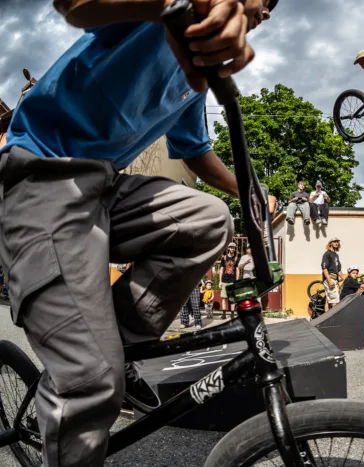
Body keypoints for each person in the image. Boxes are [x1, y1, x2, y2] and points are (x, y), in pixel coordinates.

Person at [0, 1, 277, 465]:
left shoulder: (195, 79)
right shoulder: (160, 16)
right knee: (90, 382)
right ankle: (88, 375)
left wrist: (250, 189)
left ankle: (118, 350)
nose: (267, 11)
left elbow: (195, 153)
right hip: (43, 176)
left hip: (104, 187)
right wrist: (170, 6)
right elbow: (75, 5)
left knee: (209, 221)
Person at [321, 237, 343, 310]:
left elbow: (339, 270)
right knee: (335, 301)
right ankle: (335, 316)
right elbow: (324, 268)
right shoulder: (327, 254)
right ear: (331, 243)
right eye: (334, 242)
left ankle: (326, 316)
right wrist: (329, 280)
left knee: (328, 301)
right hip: (330, 279)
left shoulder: (336, 255)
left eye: (337, 242)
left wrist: (345, 279)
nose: (336, 243)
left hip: (335, 280)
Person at [219, 242, 239, 319]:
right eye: (231, 247)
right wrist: (220, 281)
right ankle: (224, 314)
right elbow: (221, 270)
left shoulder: (236, 259)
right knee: (224, 298)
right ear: (228, 248)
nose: (232, 249)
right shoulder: (224, 258)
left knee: (232, 298)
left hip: (232, 280)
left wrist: (237, 281)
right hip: (224, 280)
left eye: (233, 248)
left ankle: (232, 314)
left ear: (234, 249)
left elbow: (237, 270)